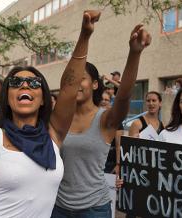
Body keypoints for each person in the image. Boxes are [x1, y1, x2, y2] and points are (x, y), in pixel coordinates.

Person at [0, 10, 100, 218]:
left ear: (43, 99)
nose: (24, 85)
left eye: (33, 83)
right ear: (8, 97)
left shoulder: (54, 135)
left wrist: (85, 36)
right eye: (15, 83)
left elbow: (69, 87)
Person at [52, 24, 151, 217]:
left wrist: (134, 53)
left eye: (83, 78)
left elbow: (123, 96)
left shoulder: (106, 119)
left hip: (94, 209)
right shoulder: (57, 118)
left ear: (95, 84)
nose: (76, 84)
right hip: (58, 207)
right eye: (73, 80)